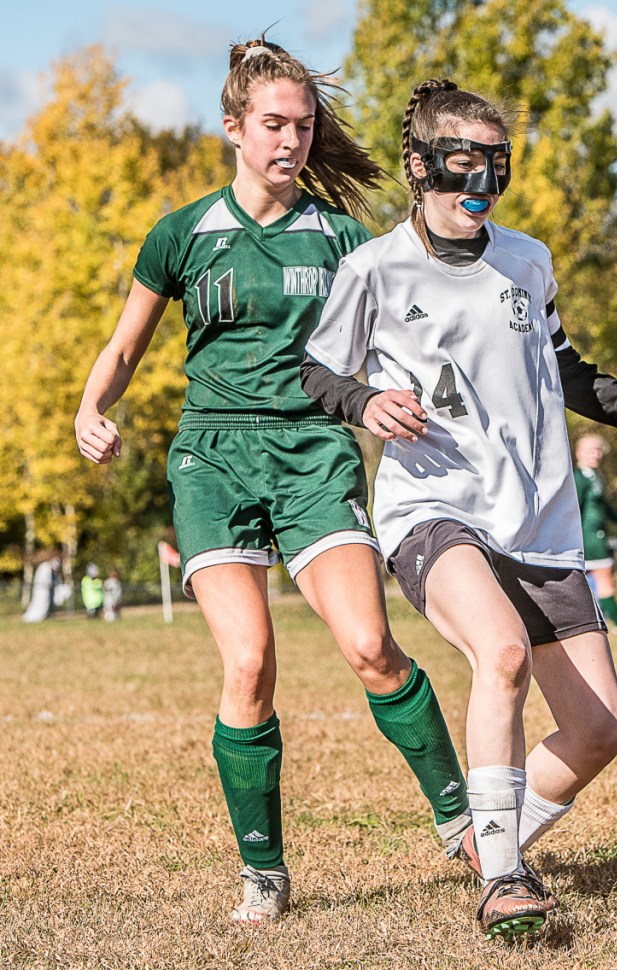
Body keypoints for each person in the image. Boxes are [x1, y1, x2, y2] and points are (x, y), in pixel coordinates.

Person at [301, 78, 617, 940]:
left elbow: (569, 373)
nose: (479, 189)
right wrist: (364, 405)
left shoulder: (529, 260)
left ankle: (491, 840)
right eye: (461, 167)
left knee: (598, 731)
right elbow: (317, 370)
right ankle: (506, 879)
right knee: (500, 653)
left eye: (494, 170)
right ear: (419, 166)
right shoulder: (371, 270)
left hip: (538, 522)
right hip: (431, 508)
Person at [74, 40, 469, 923]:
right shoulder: (183, 233)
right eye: (274, 124)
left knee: (370, 646)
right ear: (234, 129)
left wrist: (385, 398)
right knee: (248, 661)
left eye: (304, 125)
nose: (292, 139)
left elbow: (404, 332)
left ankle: (463, 821)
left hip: (311, 453)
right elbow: (127, 344)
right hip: (211, 456)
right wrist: (91, 407)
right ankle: (264, 870)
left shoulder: (338, 237)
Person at [574, 433, 617, 636]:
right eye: (590, 450)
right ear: (578, 453)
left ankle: (602, 622)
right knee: (604, 580)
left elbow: (605, 506)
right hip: (588, 538)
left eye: (598, 450)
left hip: (596, 535)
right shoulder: (579, 478)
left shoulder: (596, 476)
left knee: (597, 581)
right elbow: (574, 508)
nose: (596, 454)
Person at [22, 552, 64, 623]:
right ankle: (36, 617)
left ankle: (46, 616)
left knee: (47, 605)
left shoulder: (50, 570)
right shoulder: (45, 568)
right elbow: (45, 581)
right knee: (40, 605)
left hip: (46, 591)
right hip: (41, 591)